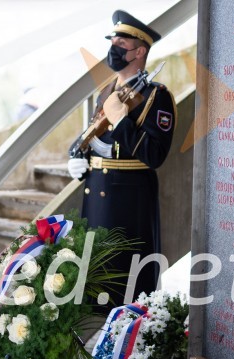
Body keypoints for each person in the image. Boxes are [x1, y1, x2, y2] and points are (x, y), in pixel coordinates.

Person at [67, 10, 176, 306]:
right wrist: (80, 162)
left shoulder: (157, 96)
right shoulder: (106, 92)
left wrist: (122, 121)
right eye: (112, 43)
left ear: (139, 51)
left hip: (130, 202)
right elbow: (94, 139)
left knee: (129, 284)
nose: (113, 50)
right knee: (95, 282)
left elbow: (155, 154)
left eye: (120, 45)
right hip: (97, 195)